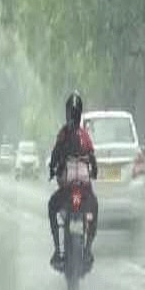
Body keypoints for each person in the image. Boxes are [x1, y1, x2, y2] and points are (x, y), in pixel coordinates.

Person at [47, 91, 99, 269]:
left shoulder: (63, 134)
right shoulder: (84, 135)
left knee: (52, 206)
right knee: (94, 208)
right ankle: (88, 248)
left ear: (68, 112)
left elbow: (54, 156)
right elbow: (92, 158)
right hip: (83, 191)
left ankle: (57, 249)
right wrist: (94, 171)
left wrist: (53, 169)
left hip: (68, 191)